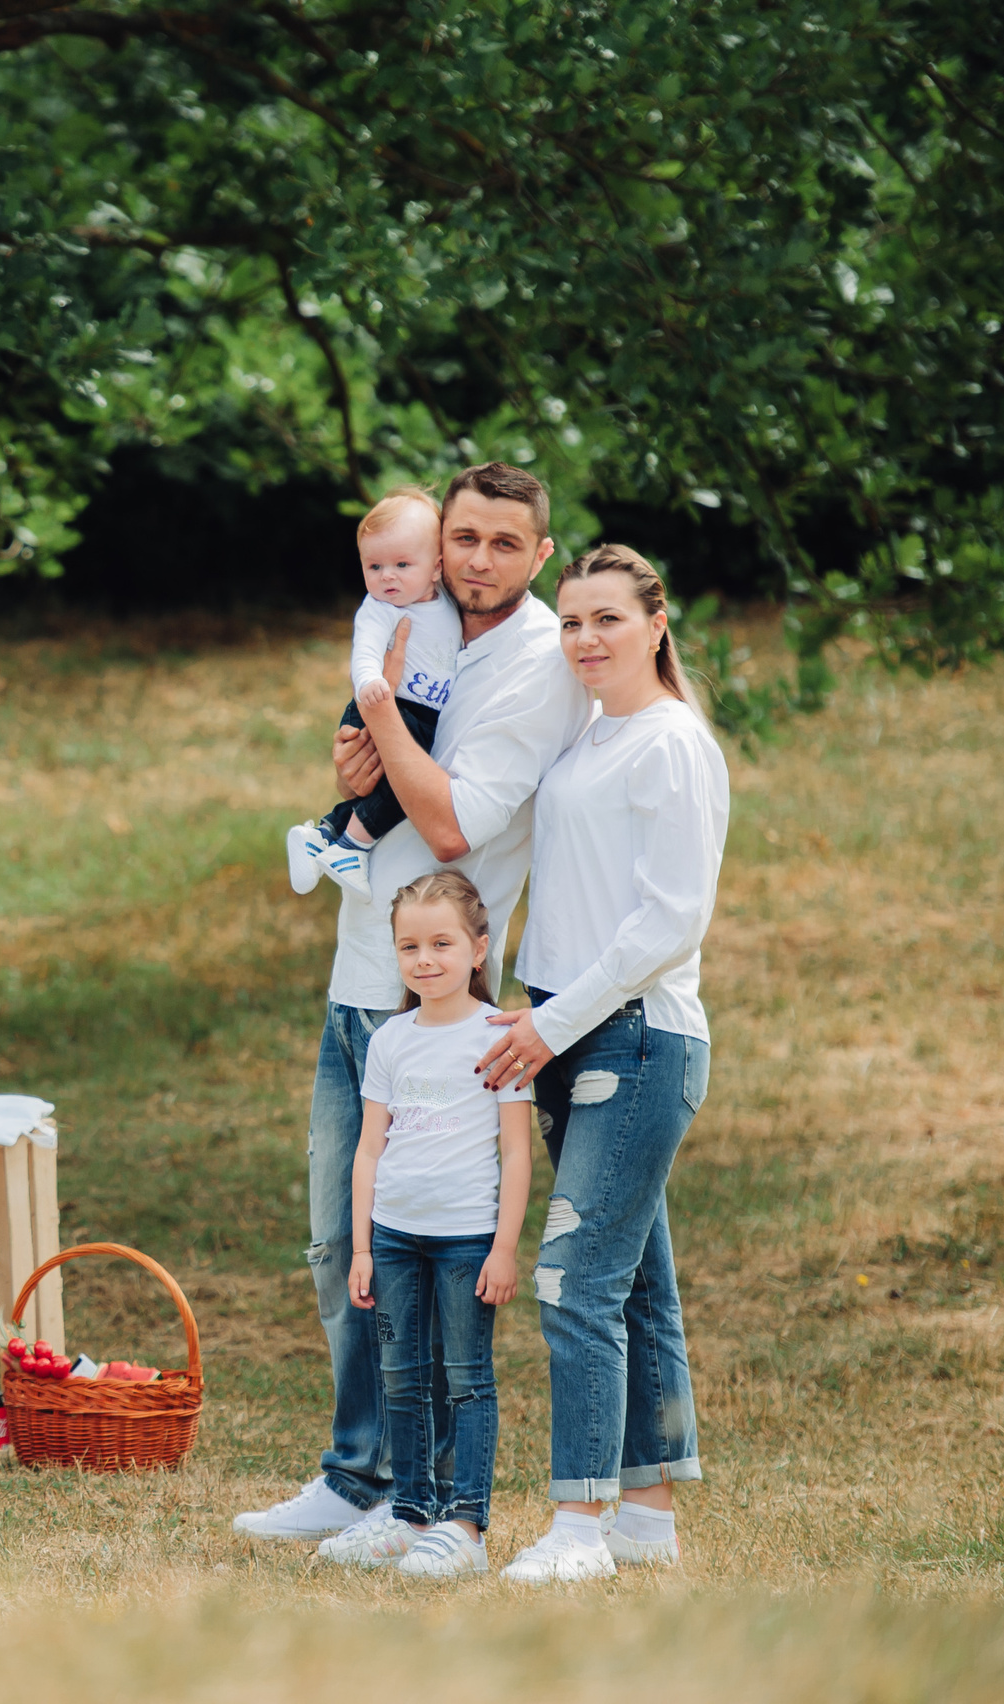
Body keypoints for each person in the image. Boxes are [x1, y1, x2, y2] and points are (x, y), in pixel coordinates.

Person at [236, 464, 590, 1544]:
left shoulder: (539, 664)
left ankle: (420, 1493)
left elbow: (448, 825)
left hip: (444, 1004)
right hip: (360, 980)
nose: (475, 559)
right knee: (336, 1240)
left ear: (537, 556)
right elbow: (382, 782)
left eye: (500, 543)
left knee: (427, 1254)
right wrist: (354, 774)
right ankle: (355, 1475)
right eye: (462, 537)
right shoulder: (415, 613)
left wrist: (379, 725)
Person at [476, 544, 730, 1584]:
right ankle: (646, 1516)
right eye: (571, 621)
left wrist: (553, 1022)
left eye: (606, 620)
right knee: (632, 1292)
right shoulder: (588, 740)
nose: (584, 639)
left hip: (631, 1039)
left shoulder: (670, 744)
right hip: (563, 1030)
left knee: (573, 1281)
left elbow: (670, 922)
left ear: (655, 624)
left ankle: (577, 1527)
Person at [317, 872, 532, 1578]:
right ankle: (410, 1516)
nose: (425, 959)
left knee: (466, 1380)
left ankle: (465, 1525)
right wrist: (361, 1246)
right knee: (402, 1379)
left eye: (441, 943)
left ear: (478, 948)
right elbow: (368, 1149)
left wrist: (504, 1249)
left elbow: (516, 1150)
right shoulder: (391, 1041)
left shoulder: (499, 1035)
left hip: (468, 1241)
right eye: (409, 945)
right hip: (396, 1240)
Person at [284, 488, 462, 899]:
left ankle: (324, 834)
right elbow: (364, 650)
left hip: (421, 712)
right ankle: (353, 847)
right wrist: (370, 683)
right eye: (375, 565)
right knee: (404, 786)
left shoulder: (447, 603)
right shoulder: (380, 608)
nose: (387, 576)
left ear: (436, 568)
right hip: (387, 703)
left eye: (402, 564)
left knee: (392, 785)